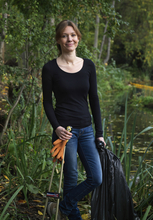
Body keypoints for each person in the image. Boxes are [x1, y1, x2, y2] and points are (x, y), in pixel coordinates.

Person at [42, 20, 105, 220]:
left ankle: (59, 208)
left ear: (78, 37)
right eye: (64, 35)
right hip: (65, 132)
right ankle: (71, 216)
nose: (69, 39)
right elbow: (47, 103)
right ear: (58, 40)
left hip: (86, 130)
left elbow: (94, 99)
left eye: (73, 35)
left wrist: (100, 134)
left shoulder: (88, 66)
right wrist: (57, 127)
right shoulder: (50, 68)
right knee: (69, 179)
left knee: (96, 177)